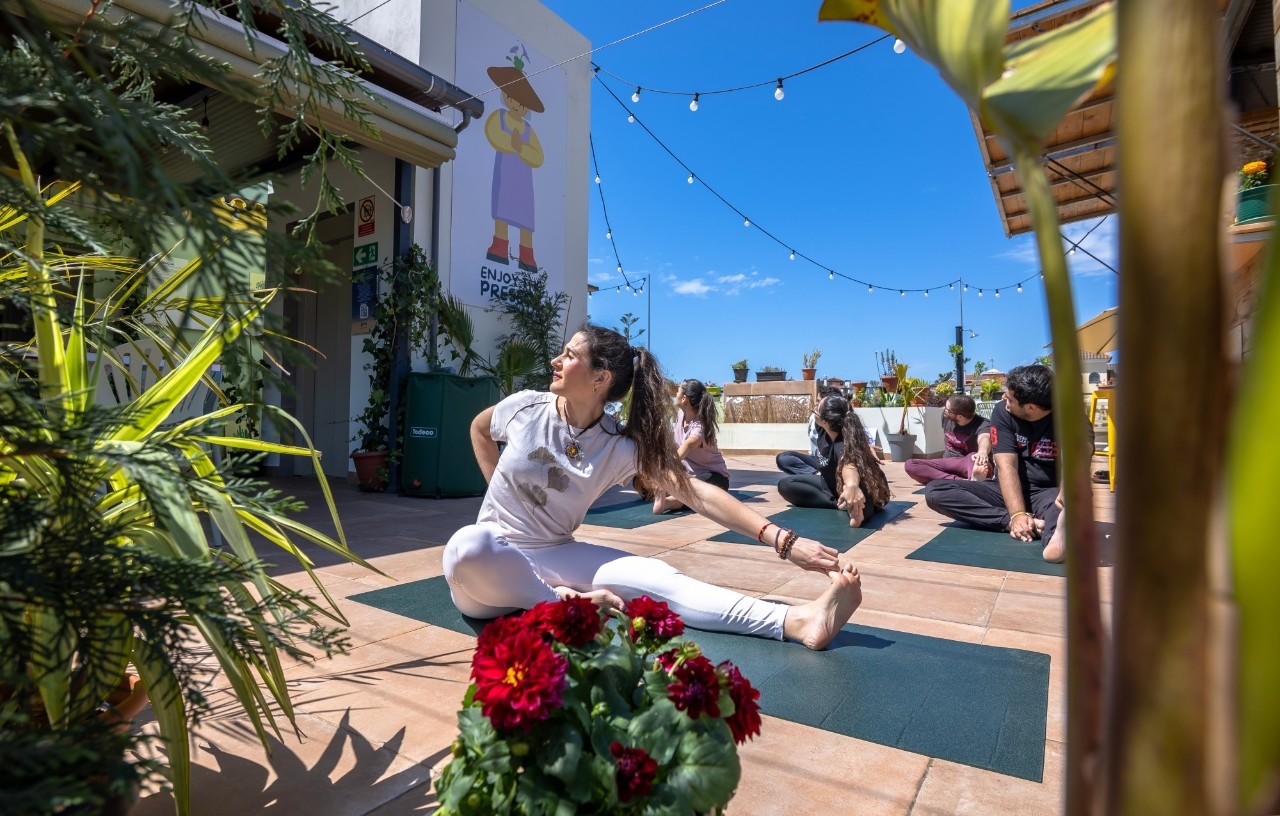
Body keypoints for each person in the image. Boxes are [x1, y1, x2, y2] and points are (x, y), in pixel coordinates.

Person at [443, 324, 862, 650]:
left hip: (555, 551)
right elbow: (480, 429)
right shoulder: (525, 407)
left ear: (599, 378)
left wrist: (784, 541)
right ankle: (564, 606)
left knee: (663, 579)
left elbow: (696, 492)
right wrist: (494, 498)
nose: (556, 359)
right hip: (490, 566)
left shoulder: (617, 446)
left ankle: (796, 622)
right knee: (468, 546)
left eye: (569, 354)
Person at [924, 364, 1066, 562]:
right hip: (1003, 489)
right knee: (935, 491)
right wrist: (1015, 515)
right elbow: (1007, 465)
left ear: (1031, 407)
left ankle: (1056, 539)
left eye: (1009, 398)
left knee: (1064, 505)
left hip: (1047, 491)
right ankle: (1017, 522)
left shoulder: (1068, 413)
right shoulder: (1002, 412)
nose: (1003, 399)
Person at [777, 396, 892, 528]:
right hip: (829, 483)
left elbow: (849, 465)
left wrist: (851, 485)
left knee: (860, 501)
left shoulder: (842, 445)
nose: (814, 409)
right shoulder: (824, 427)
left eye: (816, 409)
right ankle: (843, 503)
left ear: (825, 421)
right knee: (786, 485)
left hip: (860, 488)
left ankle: (852, 502)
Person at [652, 379, 731, 514]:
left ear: (684, 399)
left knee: (697, 489)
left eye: (678, 391)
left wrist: (663, 473)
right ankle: (670, 495)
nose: (675, 394)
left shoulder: (700, 427)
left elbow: (688, 445)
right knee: (644, 483)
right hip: (686, 475)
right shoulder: (681, 414)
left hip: (714, 476)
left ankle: (669, 502)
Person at [904, 394, 993, 485]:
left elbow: (985, 437)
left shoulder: (983, 424)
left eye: (947, 409)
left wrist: (982, 451)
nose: (944, 410)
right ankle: (964, 482)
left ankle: (972, 482)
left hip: (969, 463)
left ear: (960, 417)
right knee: (910, 464)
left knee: (975, 458)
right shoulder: (946, 417)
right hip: (948, 462)